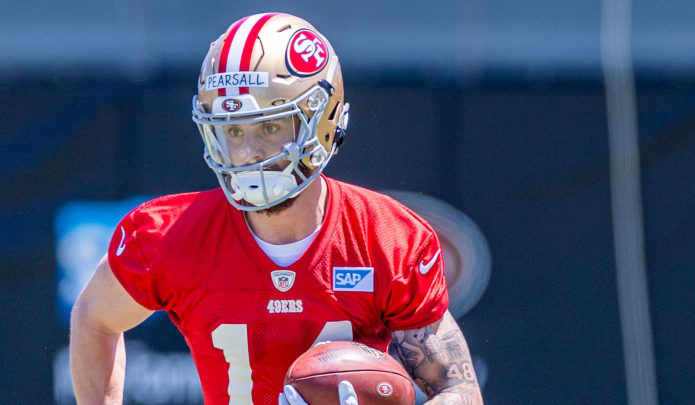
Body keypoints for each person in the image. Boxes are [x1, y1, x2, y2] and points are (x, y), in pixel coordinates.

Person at [70, 12, 483, 405]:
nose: (248, 153)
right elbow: (95, 318)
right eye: (233, 130)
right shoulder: (169, 236)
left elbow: (458, 388)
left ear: (322, 121)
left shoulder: (388, 239)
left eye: (269, 127)